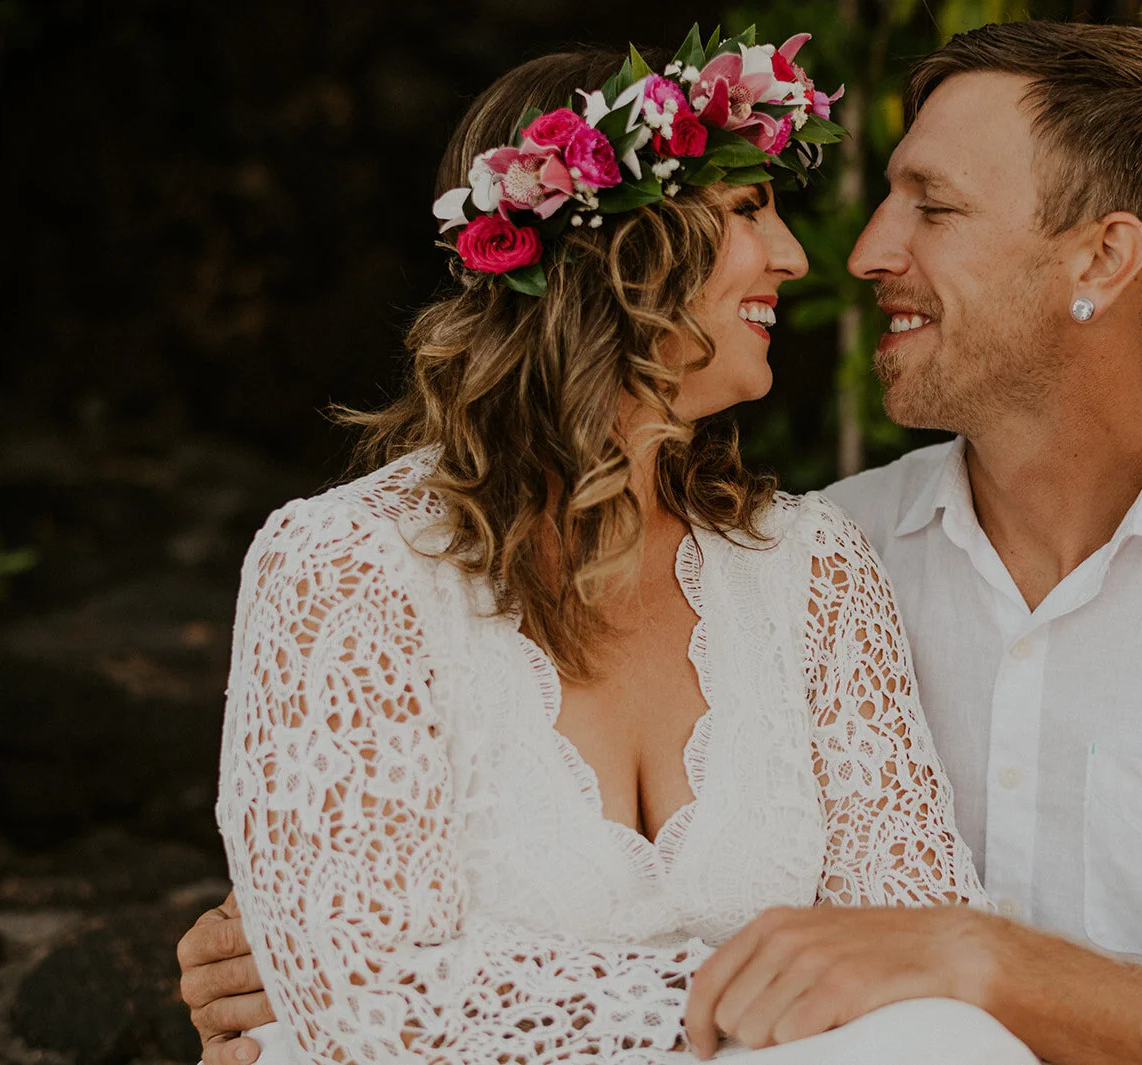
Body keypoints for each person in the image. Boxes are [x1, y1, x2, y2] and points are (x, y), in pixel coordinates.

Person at [183, 19, 1142, 1065]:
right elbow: (370, 981)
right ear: (616, 251)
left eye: (932, 206)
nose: (845, 256)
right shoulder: (835, 545)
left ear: (1101, 259)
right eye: (755, 206)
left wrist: (972, 963)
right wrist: (320, 964)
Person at [187, 31, 1039, 1065]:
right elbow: (373, 1002)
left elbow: (918, 945)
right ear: (619, 245)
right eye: (745, 209)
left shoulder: (811, 569)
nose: (794, 258)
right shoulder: (348, 568)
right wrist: (749, 993)